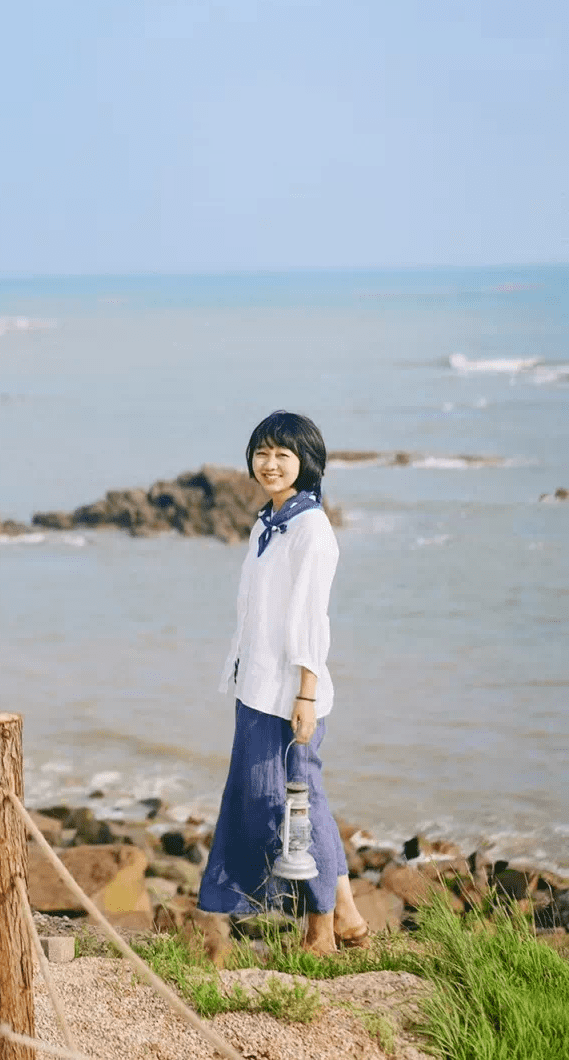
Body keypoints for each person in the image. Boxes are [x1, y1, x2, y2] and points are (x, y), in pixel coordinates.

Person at [193, 410, 369, 960]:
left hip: (289, 697)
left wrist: (306, 696)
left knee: (290, 807)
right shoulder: (267, 523)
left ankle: (321, 931)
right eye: (262, 453)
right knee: (293, 801)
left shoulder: (312, 530)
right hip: (256, 689)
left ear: (305, 462)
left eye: (282, 455)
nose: (269, 464)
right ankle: (346, 913)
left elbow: (311, 622)